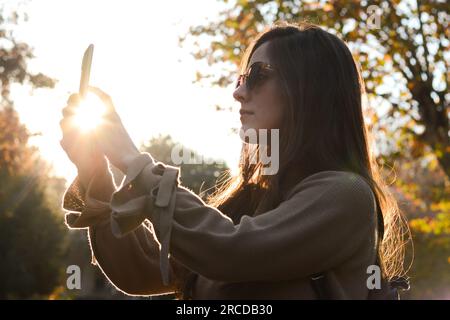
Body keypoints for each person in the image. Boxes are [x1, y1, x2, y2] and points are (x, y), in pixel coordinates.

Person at [60, 22, 410, 299]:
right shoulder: (253, 199)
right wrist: (95, 174)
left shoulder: (345, 195)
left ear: (309, 89)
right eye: (241, 79)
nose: (238, 92)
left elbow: (232, 252)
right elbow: (143, 271)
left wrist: (131, 158)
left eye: (258, 75)